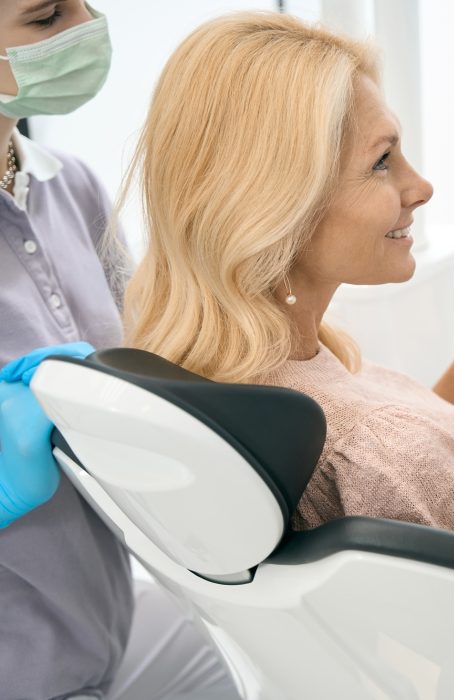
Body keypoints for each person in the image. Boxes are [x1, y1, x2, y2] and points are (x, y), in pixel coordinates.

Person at [110, 13, 454, 572]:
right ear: (278, 205)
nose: (421, 186)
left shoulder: (235, 366)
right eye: (382, 161)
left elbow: (423, 447)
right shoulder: (378, 453)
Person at [0, 3, 237, 698]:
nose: (83, 25)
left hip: (100, 625)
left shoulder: (69, 186)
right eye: (46, 16)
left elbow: (145, 358)